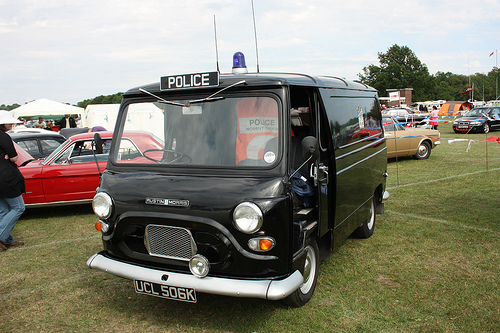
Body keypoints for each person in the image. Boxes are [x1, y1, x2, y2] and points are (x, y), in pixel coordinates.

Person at [0, 111, 26, 250]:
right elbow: (14, 157)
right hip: (5, 177)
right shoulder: (4, 137)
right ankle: (1, 237)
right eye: (9, 122)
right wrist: (9, 156)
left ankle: (8, 240)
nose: (12, 124)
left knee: (3, 210)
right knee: (18, 207)